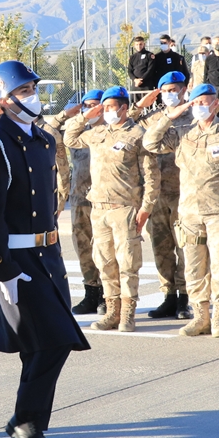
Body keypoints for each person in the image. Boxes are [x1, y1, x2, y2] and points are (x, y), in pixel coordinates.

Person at [0, 60, 90, 438]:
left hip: (48, 255)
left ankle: (31, 435)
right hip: (18, 257)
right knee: (56, 340)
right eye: (23, 91)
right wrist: (1, 267)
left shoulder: (42, 141)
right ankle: (27, 424)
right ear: (3, 100)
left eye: (32, 89)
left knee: (42, 346)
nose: (32, 96)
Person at [143, 83, 219, 337]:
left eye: (205, 102)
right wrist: (167, 117)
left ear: (215, 103)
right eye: (196, 102)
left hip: (218, 211)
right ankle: (200, 316)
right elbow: (150, 142)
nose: (201, 107)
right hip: (189, 213)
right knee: (194, 268)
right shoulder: (182, 132)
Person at [63, 85, 159, 332]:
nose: (105, 111)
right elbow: (69, 137)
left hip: (124, 207)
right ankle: (112, 311)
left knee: (127, 263)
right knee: (105, 262)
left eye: (110, 107)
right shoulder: (97, 133)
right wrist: (85, 116)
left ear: (124, 108)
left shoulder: (138, 134)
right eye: (103, 107)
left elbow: (151, 176)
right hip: (99, 208)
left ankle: (128, 313)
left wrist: (146, 208)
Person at [136, 73, 190, 320]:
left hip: (184, 193)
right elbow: (124, 123)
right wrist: (140, 105)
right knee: (161, 247)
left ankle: (184, 298)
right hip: (157, 194)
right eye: (165, 90)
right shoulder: (151, 118)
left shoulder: (193, 115)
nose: (170, 93)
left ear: (184, 89)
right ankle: (168, 296)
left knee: (185, 247)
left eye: (174, 89)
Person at [66, 89, 105, 315]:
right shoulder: (79, 135)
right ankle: (91, 292)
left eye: (94, 105)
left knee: (105, 250)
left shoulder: (109, 132)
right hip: (80, 199)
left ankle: (108, 296)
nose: (90, 109)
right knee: (83, 248)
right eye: (86, 106)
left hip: (103, 201)